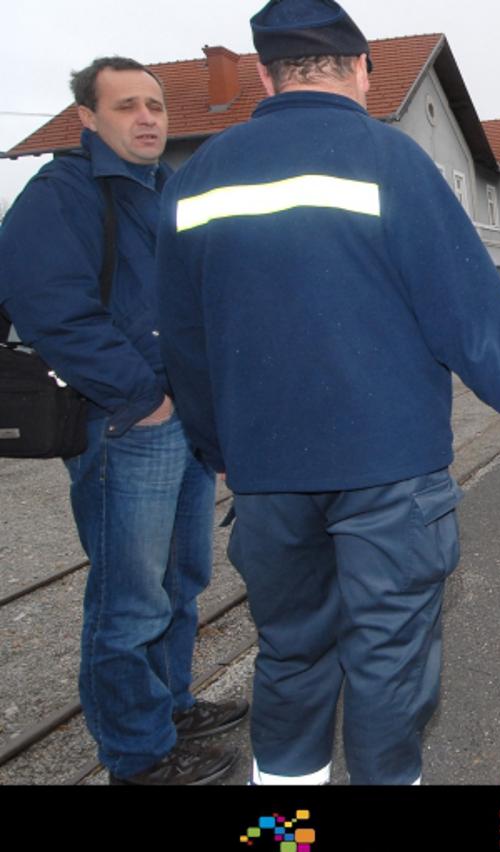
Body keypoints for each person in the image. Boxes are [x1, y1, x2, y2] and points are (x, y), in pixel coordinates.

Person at [156, 0, 500, 786]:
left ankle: (283, 835)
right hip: (388, 469)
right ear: (361, 70)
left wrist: (219, 450)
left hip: (267, 474)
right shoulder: (389, 162)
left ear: (264, 74)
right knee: (388, 659)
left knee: (291, 653)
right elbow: (470, 314)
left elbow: (183, 344)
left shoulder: (196, 177)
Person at [0, 57, 245, 785]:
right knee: (128, 601)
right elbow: (51, 313)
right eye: (127, 106)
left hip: (184, 425)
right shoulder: (63, 194)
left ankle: (170, 706)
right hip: (126, 427)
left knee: (181, 581)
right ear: (88, 119)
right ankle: (137, 756)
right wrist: (145, 400)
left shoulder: (170, 190)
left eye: (156, 107)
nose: (147, 118)